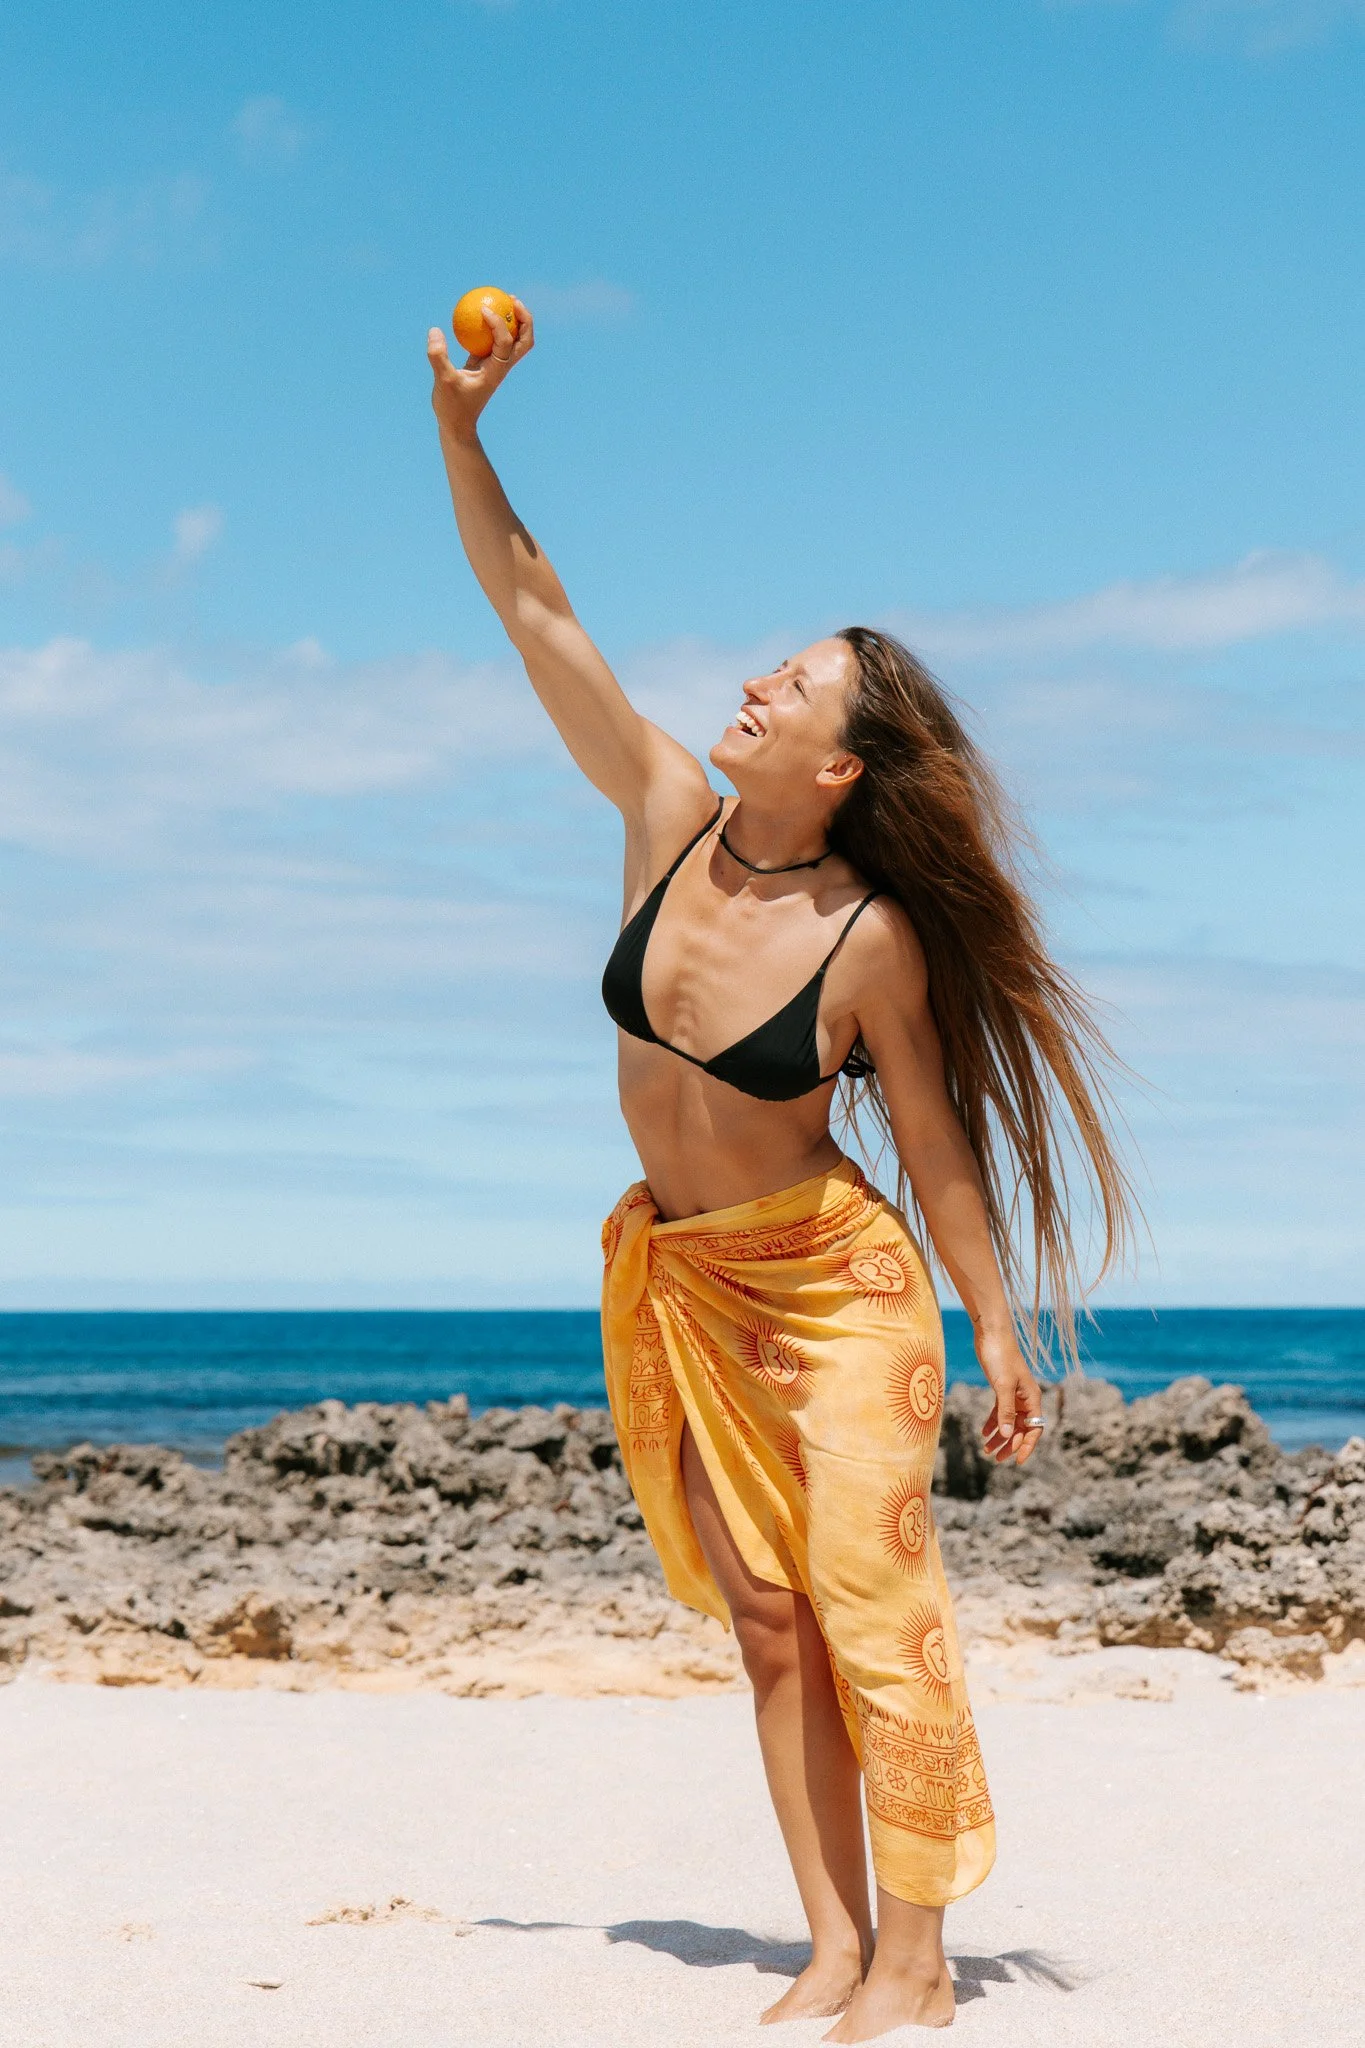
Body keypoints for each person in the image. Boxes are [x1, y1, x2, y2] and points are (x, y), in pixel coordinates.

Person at [427, 300, 1136, 2041]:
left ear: (837, 768)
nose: (750, 681)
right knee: (764, 1625)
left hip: (836, 1287)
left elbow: (943, 1148)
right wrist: (461, 430)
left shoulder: (872, 941)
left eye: (792, 684)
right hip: (687, 1280)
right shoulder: (661, 811)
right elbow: (536, 610)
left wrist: (999, 1326)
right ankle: (829, 1941)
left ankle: (921, 1958)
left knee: (872, 1610)